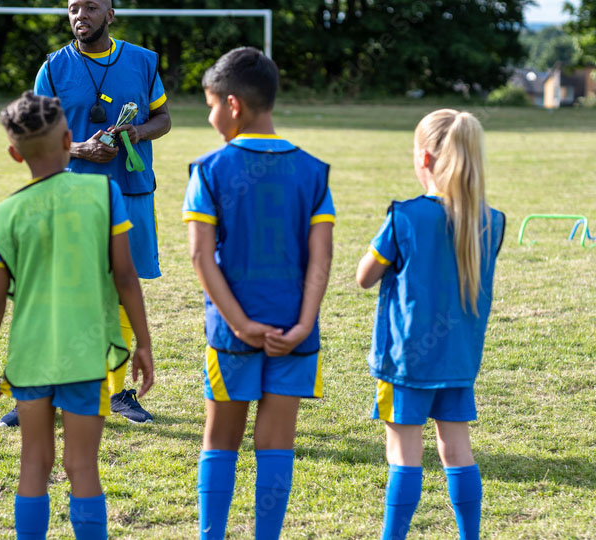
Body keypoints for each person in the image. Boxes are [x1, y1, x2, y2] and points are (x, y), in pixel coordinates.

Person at [0, 91, 155, 540]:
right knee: (82, 466)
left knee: (34, 463)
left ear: (15, 154)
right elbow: (126, 278)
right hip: (87, 354)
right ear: (70, 139)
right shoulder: (104, 192)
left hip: (31, 356)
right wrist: (144, 343)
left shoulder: (5, 214)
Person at [0, 0, 170, 427]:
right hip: (68, 195)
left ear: (110, 14)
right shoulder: (52, 68)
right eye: (73, 8)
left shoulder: (143, 63)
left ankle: (119, 391)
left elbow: (163, 118)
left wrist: (138, 131)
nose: (80, 16)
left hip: (131, 191)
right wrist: (78, 148)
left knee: (123, 293)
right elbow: (33, 132)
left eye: (90, 7)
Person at [184, 48, 335, 539]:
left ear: (231, 105)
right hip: (295, 332)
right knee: (277, 446)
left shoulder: (208, 170)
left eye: (209, 106)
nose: (209, 117)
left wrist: (240, 325)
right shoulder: (313, 171)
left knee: (220, 443)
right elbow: (322, 258)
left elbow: (200, 257)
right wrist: (304, 325)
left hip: (232, 335)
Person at [356, 109, 506, 540]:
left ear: (424, 159)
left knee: (403, 454)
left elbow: (364, 277)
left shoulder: (405, 217)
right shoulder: (492, 222)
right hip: (458, 360)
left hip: (406, 362)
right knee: (457, 450)